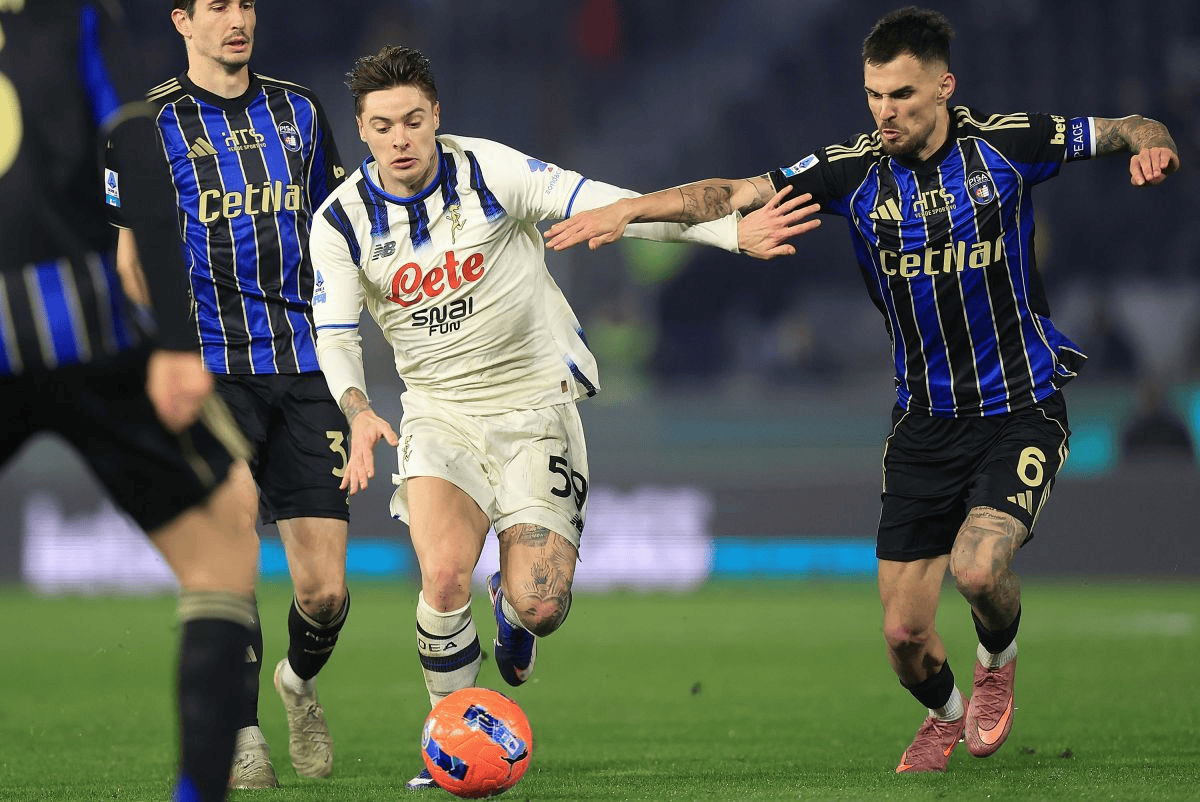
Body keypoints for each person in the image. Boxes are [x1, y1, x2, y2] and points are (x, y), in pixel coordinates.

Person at [544, 6, 1180, 774]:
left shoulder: (1007, 145)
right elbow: (737, 192)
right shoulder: (852, 170)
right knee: (904, 639)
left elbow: (1129, 125)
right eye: (875, 94)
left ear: (944, 87)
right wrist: (631, 208)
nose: (886, 111)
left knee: (977, 568)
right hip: (924, 425)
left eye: (903, 94)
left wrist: (1152, 142)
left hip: (1020, 407)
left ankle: (996, 660)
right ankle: (944, 716)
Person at [307, 45, 816, 790]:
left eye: (413, 120)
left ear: (436, 115)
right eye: (382, 127)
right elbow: (336, 333)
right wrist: (356, 408)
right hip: (440, 415)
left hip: (535, 403)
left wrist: (727, 234)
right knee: (441, 575)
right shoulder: (340, 222)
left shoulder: (489, 171)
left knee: (542, 604)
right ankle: (449, 749)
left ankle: (512, 613)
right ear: (361, 130)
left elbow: (615, 208)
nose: (400, 139)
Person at [1, 2, 259, 800]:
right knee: (223, 538)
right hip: (81, 327)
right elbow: (135, 147)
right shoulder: (70, 14)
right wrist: (179, 340)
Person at [111, 0, 352, 787]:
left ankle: (297, 682)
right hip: (211, 373)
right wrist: (168, 351)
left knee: (324, 592)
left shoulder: (300, 112)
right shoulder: (147, 125)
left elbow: (339, 231)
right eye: (217, 5)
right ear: (182, 21)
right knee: (233, 554)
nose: (237, 18)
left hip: (305, 368)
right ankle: (245, 733)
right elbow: (130, 261)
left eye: (245, 3)